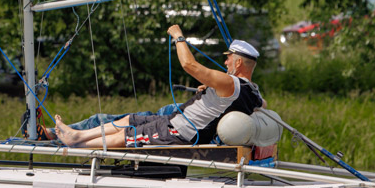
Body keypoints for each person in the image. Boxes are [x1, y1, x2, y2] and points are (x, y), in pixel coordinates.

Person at [55, 26, 264, 149]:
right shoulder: (252, 92)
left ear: (238, 63)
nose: (226, 63)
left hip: (181, 132)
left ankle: (76, 144)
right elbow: (258, 104)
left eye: (228, 59)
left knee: (127, 135)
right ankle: (78, 135)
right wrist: (214, 93)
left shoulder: (230, 83)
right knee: (129, 120)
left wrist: (178, 37)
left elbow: (189, 66)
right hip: (174, 121)